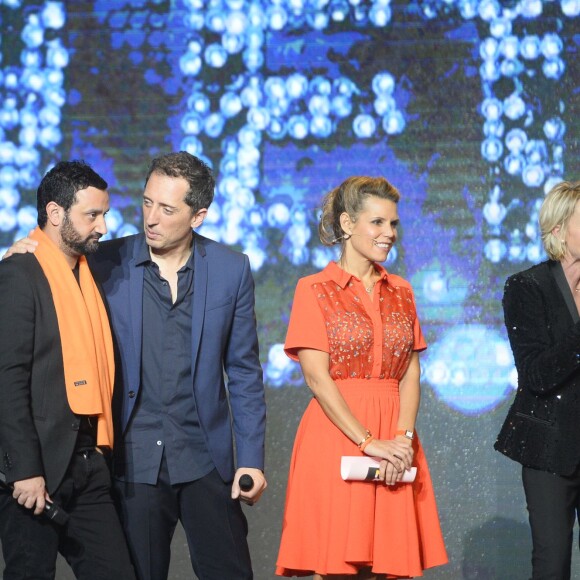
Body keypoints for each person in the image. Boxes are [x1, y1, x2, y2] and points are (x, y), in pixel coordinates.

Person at [4, 151, 267, 580]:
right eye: (147, 203)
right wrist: (22, 250)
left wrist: (252, 459)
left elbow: (243, 370)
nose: (151, 218)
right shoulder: (105, 260)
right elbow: (48, 258)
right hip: (133, 463)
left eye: (166, 209)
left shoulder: (230, 269)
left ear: (197, 216)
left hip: (205, 460)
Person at [275, 176, 447, 578]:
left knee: (387, 562)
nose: (389, 234)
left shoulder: (402, 290)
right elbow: (317, 379)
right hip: (337, 434)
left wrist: (402, 441)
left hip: (395, 436)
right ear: (348, 224)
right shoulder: (313, 289)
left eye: (394, 225)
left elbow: (409, 371)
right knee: (333, 564)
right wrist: (368, 442)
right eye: (378, 223)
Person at [0, 161, 136, 579]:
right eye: (92, 215)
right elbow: (7, 379)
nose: (102, 226)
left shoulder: (89, 268)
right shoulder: (20, 273)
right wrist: (24, 470)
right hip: (37, 468)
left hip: (91, 462)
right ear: (56, 214)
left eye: (105, 214)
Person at [495, 181, 580, 580]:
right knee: (552, 562)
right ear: (559, 230)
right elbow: (536, 374)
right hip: (550, 447)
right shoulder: (527, 287)